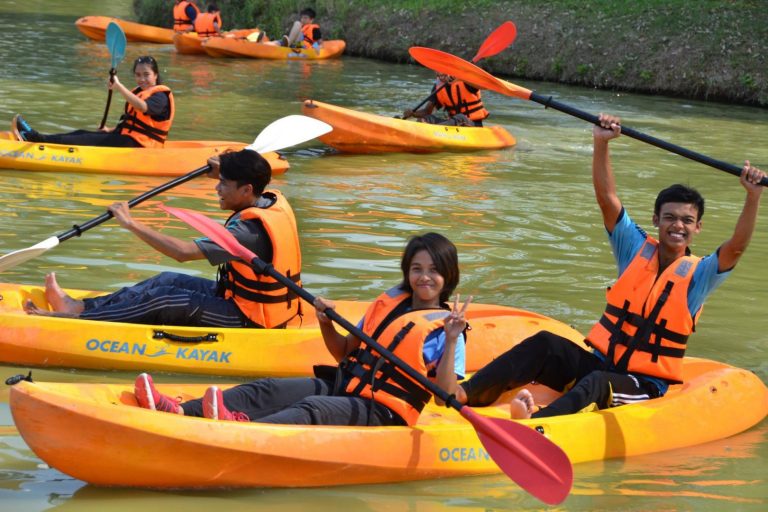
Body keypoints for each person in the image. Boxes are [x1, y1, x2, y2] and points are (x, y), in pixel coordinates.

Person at [454, 113, 766, 420]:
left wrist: (752, 197)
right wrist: (601, 142)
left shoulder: (699, 276)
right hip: (601, 362)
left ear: (697, 228)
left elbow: (735, 247)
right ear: (656, 220)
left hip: (644, 383)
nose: (677, 226)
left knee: (598, 383)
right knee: (545, 343)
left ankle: (538, 422)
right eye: (670, 217)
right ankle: (466, 393)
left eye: (687, 220)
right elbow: (607, 199)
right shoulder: (635, 249)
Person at [133, 232, 471, 426]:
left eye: (434, 270)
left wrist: (453, 338)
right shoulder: (390, 303)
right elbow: (342, 352)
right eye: (416, 268)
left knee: (314, 407)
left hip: (384, 411)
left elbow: (447, 395)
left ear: (448, 277)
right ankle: (180, 409)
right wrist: (325, 323)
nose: (424, 277)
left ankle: (241, 431)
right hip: (346, 386)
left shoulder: (446, 328)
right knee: (268, 389)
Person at [23, 149, 303, 329]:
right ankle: (82, 306)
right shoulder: (266, 199)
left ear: (246, 190)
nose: (217, 188)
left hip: (249, 319)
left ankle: (76, 322)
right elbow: (248, 173)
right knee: (167, 280)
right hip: (238, 297)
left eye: (224, 184)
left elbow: (182, 251)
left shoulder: (248, 233)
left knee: (165, 300)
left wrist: (131, 224)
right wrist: (226, 168)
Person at [12, 56, 174, 149]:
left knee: (83, 139)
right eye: (138, 75)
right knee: (80, 133)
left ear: (155, 75)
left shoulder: (160, 96)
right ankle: (39, 138)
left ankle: (36, 139)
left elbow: (142, 107)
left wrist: (118, 86)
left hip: (142, 147)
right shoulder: (139, 92)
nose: (142, 79)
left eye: (146, 74)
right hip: (129, 139)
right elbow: (130, 124)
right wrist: (109, 130)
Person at [403, 73, 489, 127]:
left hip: (472, 124)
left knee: (460, 117)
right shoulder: (438, 87)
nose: (441, 76)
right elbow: (427, 111)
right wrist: (413, 113)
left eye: (443, 72)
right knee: (427, 118)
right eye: (439, 72)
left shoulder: (465, 81)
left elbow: (484, 86)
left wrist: (462, 77)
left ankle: (433, 131)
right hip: (451, 124)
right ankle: (423, 133)